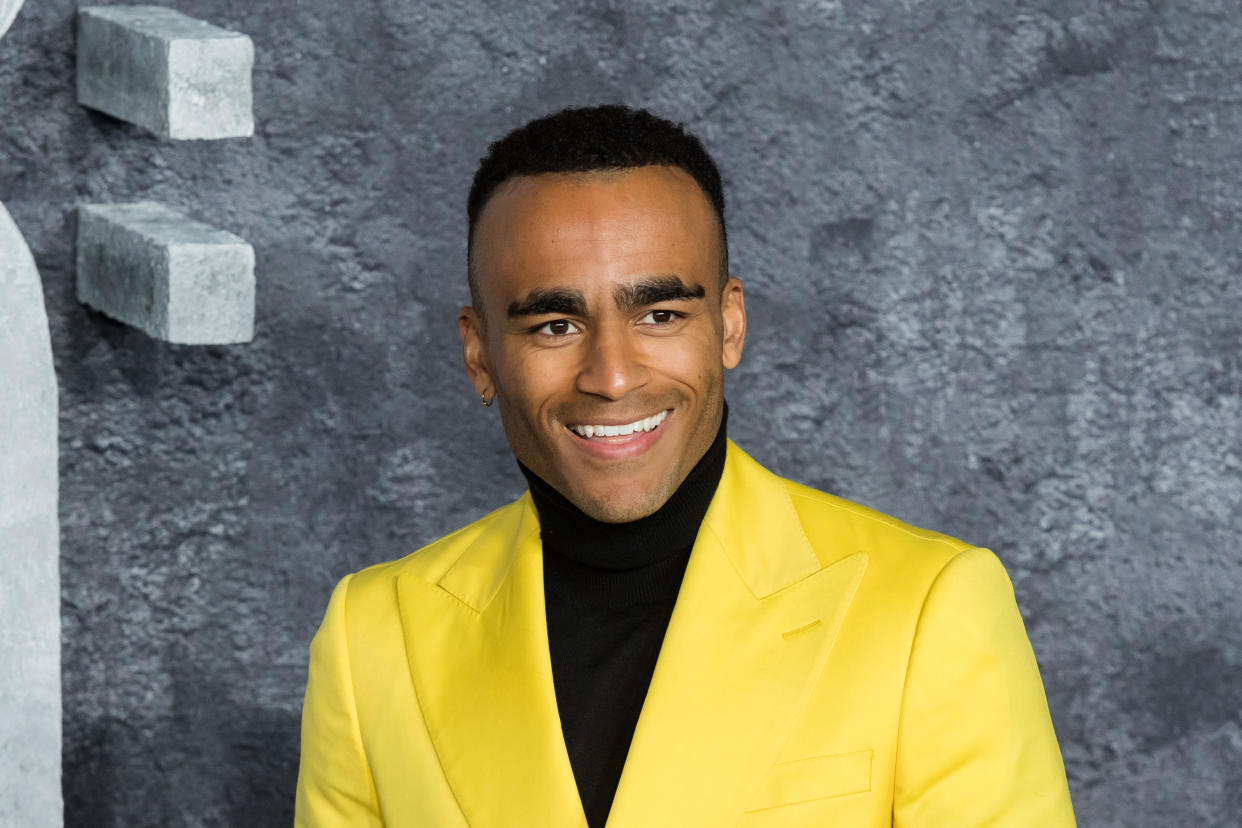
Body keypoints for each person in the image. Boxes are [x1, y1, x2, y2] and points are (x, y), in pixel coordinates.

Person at [294, 104, 1076, 827]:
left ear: (729, 326)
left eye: (660, 314)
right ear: (478, 353)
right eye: (556, 324)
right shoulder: (373, 639)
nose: (613, 374)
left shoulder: (928, 611)